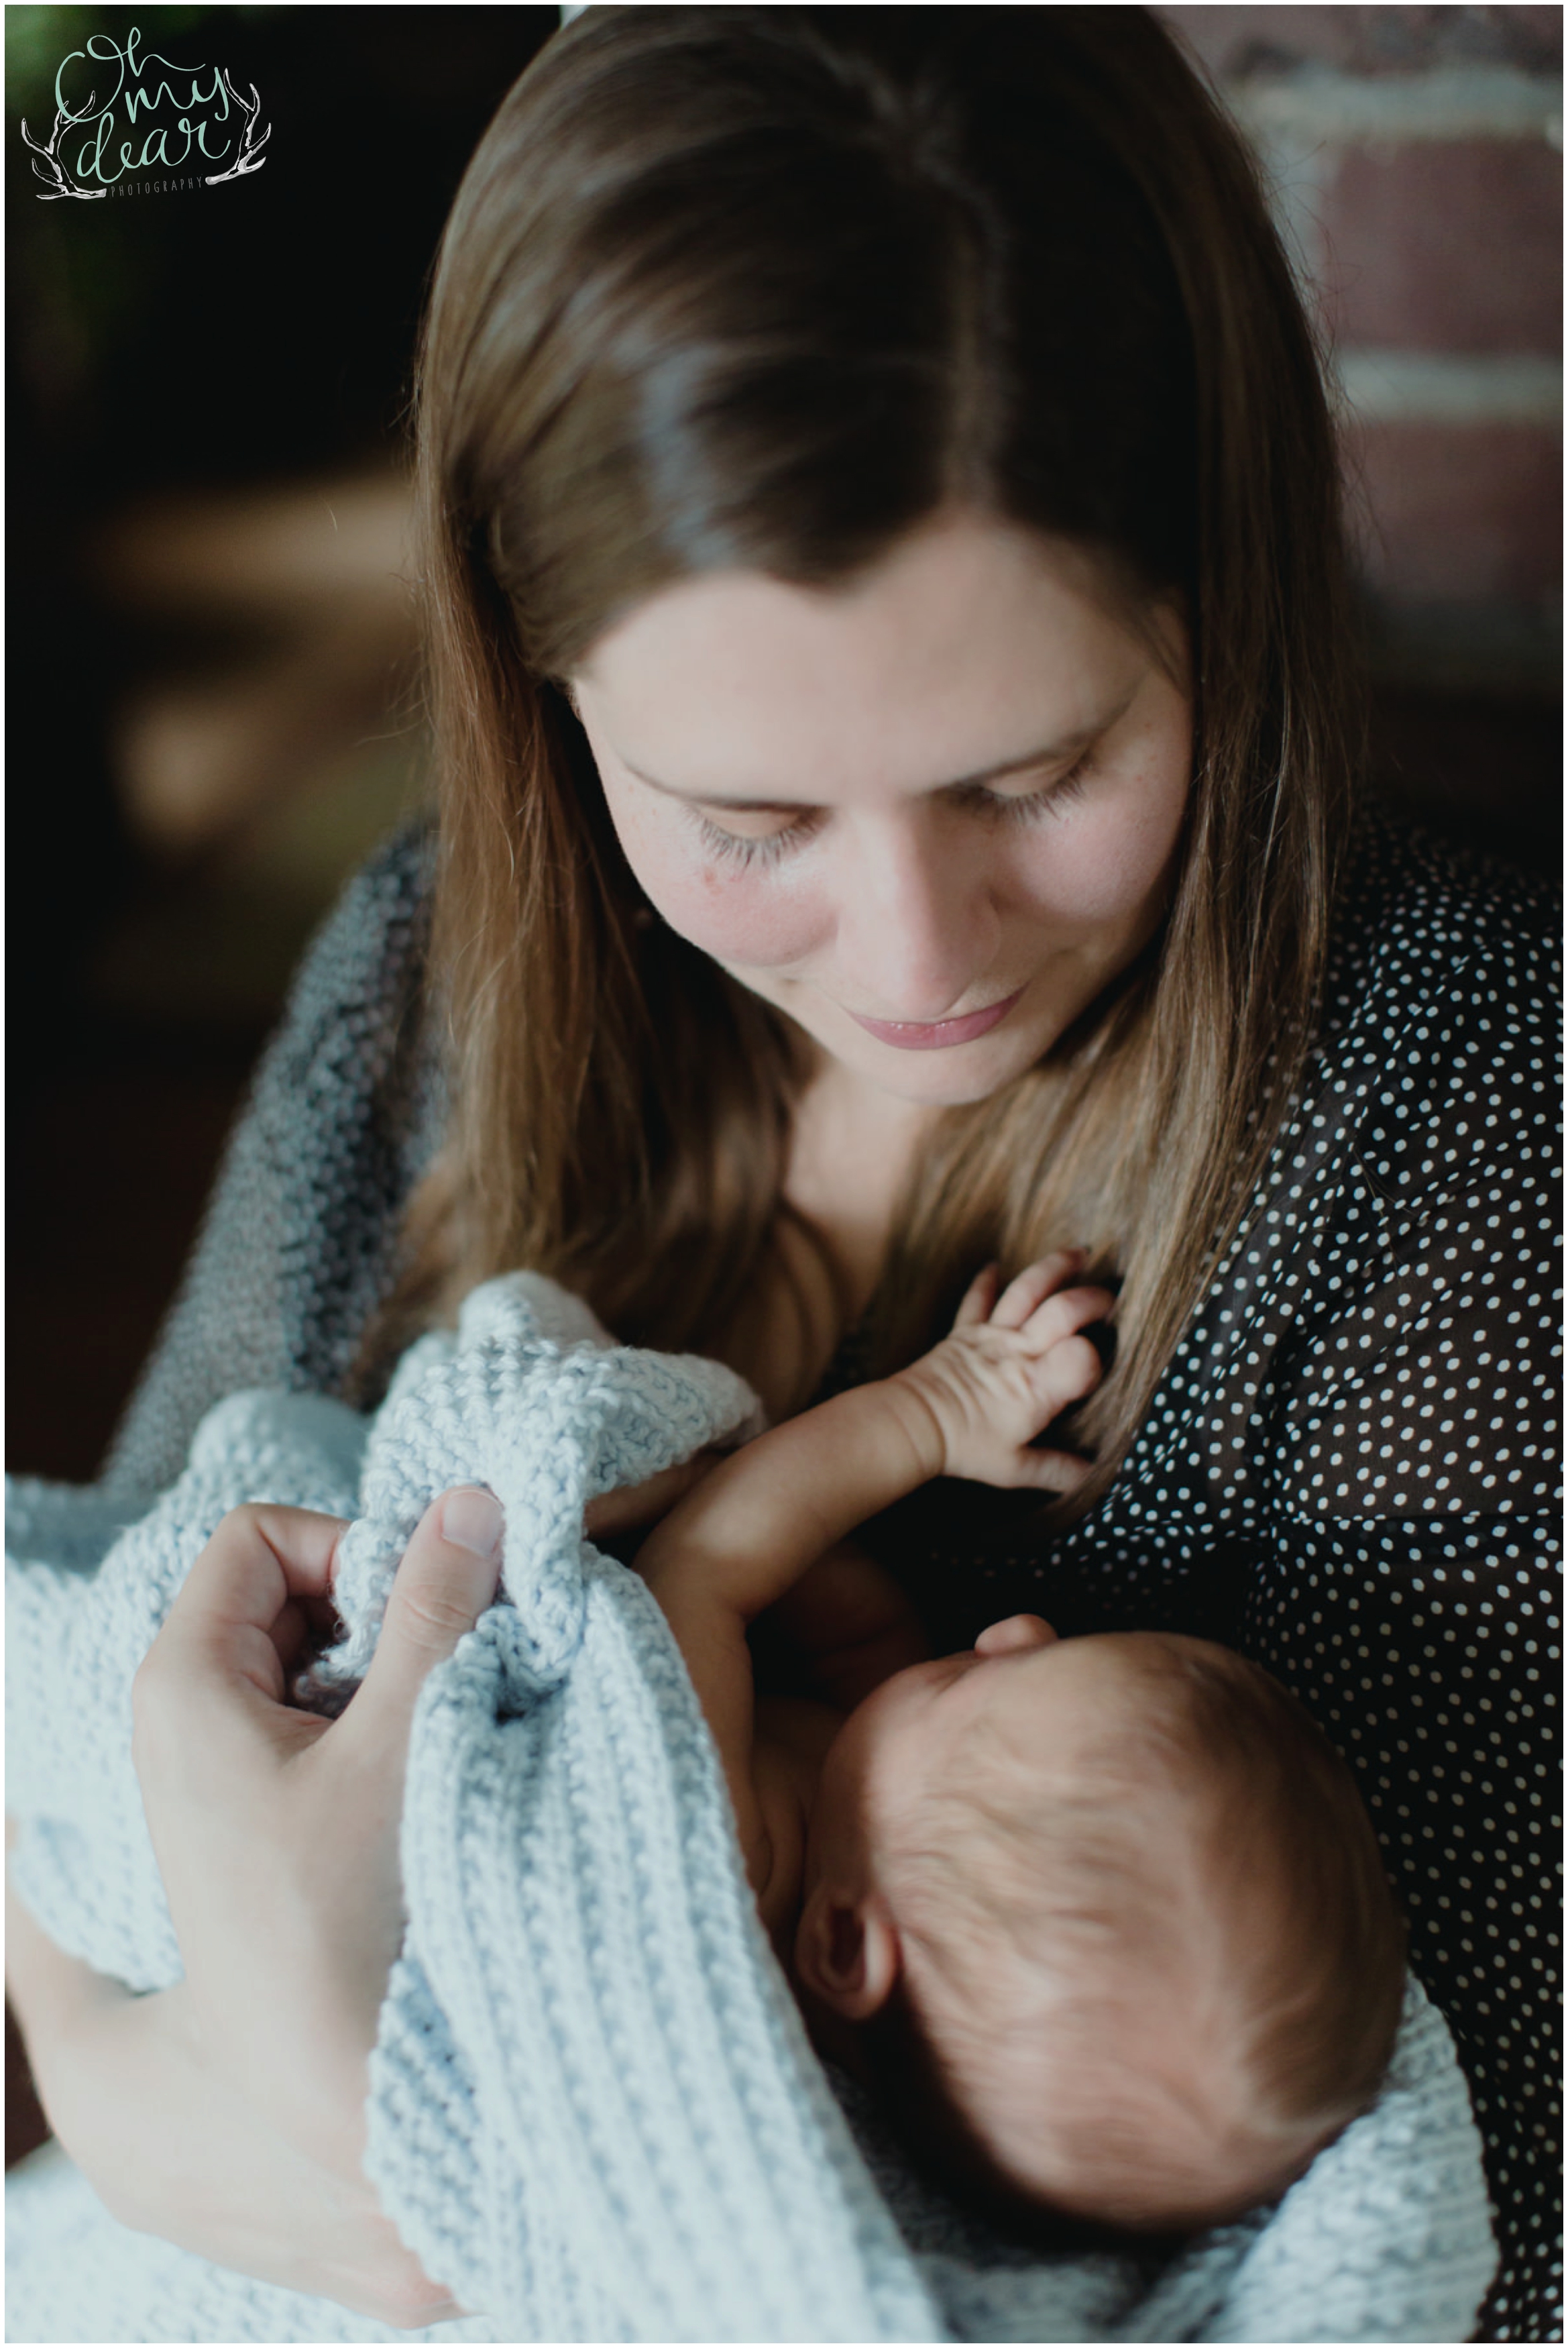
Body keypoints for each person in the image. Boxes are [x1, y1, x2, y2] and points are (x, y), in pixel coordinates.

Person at [5, 6, 1555, 2339]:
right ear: (545, 709)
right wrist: (144, 2088)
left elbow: (1470, 2223)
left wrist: (368, 2147)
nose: (921, 955)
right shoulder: (424, 970)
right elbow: (75, 1659)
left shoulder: (1459, 1126)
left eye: (1037, 771)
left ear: (1214, 599)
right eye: (746, 825)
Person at [634, 1251, 1408, 2235]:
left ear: (842, 1939)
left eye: (975, 1679)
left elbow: (702, 1563)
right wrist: (874, 1641)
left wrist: (931, 1412)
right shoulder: (870, 1844)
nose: (1017, 1628)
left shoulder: (715, 1870)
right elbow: (852, 1660)